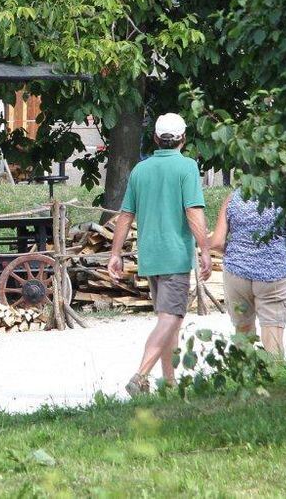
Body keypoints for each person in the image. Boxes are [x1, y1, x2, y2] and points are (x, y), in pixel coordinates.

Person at [108, 113, 213, 396]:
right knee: (170, 319)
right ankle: (140, 376)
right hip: (175, 257)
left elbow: (125, 215)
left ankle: (170, 384)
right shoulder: (187, 167)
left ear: (154, 138)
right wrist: (205, 250)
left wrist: (115, 253)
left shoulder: (140, 170)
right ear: (183, 139)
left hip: (150, 258)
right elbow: (193, 211)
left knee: (169, 322)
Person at [210, 189, 286, 357]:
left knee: (242, 331)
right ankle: (274, 377)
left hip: (236, 276)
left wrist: (239, 252)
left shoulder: (233, 198)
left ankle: (245, 377)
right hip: (273, 277)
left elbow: (216, 243)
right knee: (273, 333)